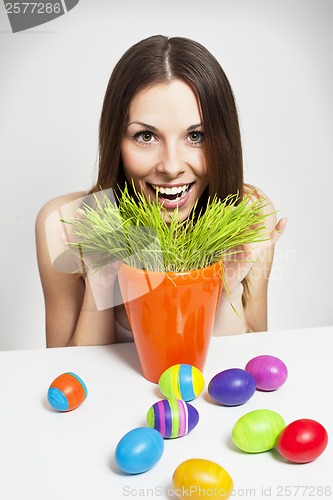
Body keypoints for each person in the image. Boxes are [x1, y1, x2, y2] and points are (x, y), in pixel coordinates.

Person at [35, 35, 287, 348]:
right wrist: (102, 284)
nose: (170, 166)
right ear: (116, 141)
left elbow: (249, 370)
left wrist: (225, 290)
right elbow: (66, 383)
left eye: (196, 136)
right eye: (145, 136)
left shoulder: (248, 215)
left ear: (224, 140)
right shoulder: (65, 222)